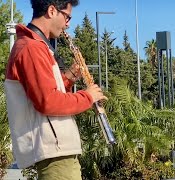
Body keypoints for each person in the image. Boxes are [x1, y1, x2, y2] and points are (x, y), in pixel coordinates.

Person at [4, 0, 107, 179]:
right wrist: (87, 96)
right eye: (66, 17)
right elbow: (48, 102)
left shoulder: (36, 46)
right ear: (52, 10)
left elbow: (42, 93)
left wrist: (67, 79)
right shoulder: (31, 48)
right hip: (54, 153)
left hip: (56, 151)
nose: (68, 24)